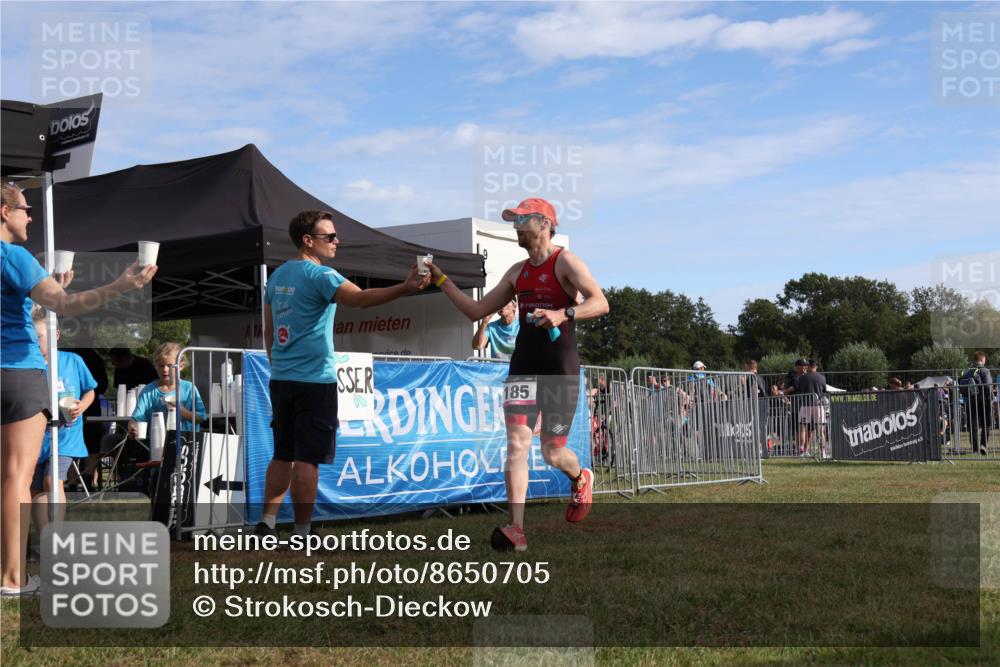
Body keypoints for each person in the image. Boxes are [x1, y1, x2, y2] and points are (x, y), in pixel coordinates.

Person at [425, 197, 609, 551]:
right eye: (514, 221)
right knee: (516, 446)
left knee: (552, 451)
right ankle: (516, 529)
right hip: (523, 367)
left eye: (521, 221)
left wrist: (563, 314)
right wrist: (442, 280)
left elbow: (600, 302)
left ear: (543, 223)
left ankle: (580, 475)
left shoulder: (565, 262)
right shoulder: (516, 272)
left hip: (559, 369)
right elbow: (476, 310)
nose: (515, 228)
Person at [1, 181, 156, 597]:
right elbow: (63, 306)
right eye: (25, 209)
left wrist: (51, 285)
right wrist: (122, 285)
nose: (30, 216)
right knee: (16, 477)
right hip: (17, 372)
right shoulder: (13, 256)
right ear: (3, 212)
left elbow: (24, 305)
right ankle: (12, 580)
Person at [255, 210, 431, 539]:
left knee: (282, 454)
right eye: (330, 236)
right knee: (307, 459)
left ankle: (266, 523)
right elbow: (361, 300)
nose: (337, 242)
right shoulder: (323, 277)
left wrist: (278, 363)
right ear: (308, 241)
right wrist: (406, 286)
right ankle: (303, 531)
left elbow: (268, 331)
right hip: (314, 381)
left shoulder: (277, 276)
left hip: (281, 380)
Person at [29, 307, 96, 542]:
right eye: (31, 337)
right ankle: (44, 540)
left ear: (55, 334)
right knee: (35, 489)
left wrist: (81, 407)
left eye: (38, 337)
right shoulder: (29, 365)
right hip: (36, 437)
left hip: (67, 434)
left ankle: (57, 537)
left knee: (51, 480)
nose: (34, 342)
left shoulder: (73, 360)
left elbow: (90, 391)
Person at [128, 342, 207, 437]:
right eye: (161, 366)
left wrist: (181, 410)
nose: (165, 370)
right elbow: (136, 418)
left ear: (181, 366)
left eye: (170, 366)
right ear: (155, 366)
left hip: (186, 444)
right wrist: (132, 427)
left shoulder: (189, 388)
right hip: (157, 445)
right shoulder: (148, 391)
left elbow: (201, 417)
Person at [959, 351, 993, 455]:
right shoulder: (984, 371)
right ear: (982, 360)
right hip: (983, 400)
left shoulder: (967, 371)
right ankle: (983, 445)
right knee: (986, 424)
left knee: (973, 425)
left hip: (970, 400)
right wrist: (990, 398)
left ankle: (974, 449)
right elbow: (988, 386)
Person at [794, 362, 828, 457]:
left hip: (805, 405)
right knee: (820, 430)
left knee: (802, 428)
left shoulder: (802, 378)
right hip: (818, 405)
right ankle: (823, 452)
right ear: (816, 367)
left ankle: (802, 451)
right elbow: (824, 390)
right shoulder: (822, 377)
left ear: (808, 367)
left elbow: (799, 389)